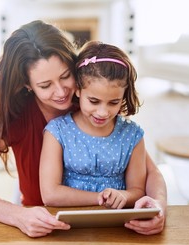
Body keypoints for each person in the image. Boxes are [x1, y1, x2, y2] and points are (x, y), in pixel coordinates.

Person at [0, 20, 167, 238]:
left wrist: (158, 209)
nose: (62, 91)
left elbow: (150, 172)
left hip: (111, 224)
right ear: (27, 84)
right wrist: (17, 215)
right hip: (44, 223)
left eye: (65, 76)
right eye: (45, 85)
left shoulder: (93, 101)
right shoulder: (12, 116)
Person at [40, 41, 146, 209]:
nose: (103, 112)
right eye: (94, 101)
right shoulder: (57, 131)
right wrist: (100, 198)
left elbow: (138, 190)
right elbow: (50, 195)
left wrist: (125, 195)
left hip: (116, 224)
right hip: (69, 223)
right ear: (78, 90)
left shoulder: (132, 135)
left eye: (113, 102)